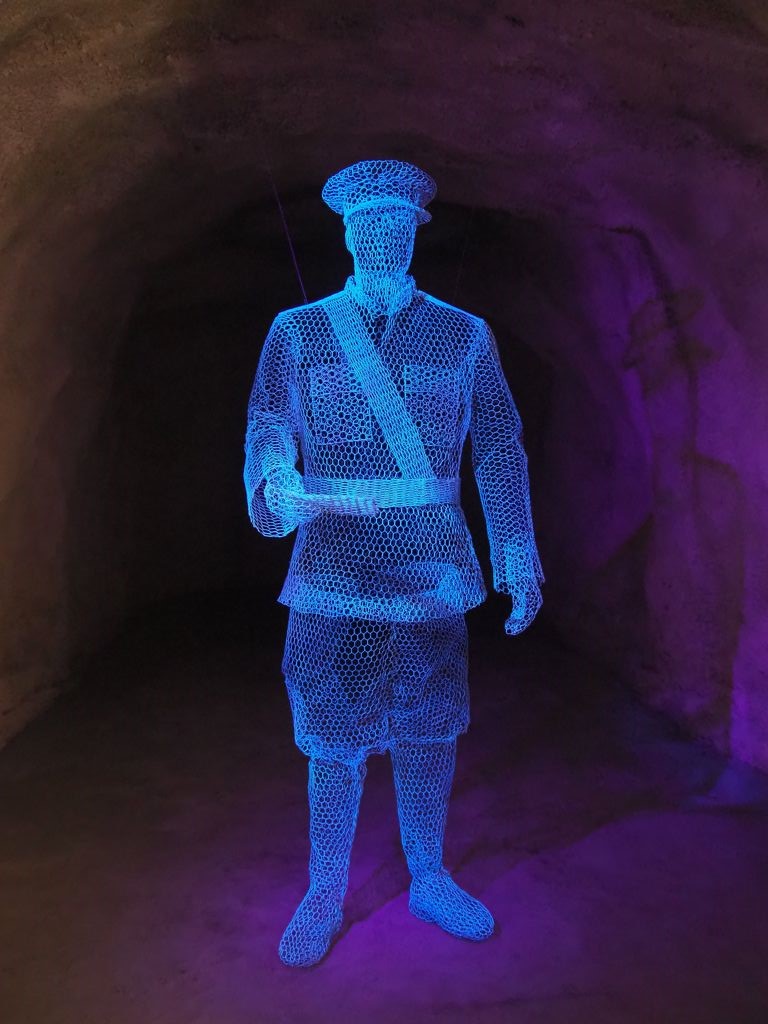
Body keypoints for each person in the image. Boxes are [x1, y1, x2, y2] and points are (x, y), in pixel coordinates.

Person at [243, 159, 545, 967]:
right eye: (369, 225)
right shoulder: (298, 331)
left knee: (429, 724)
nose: (383, 237)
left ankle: (429, 876)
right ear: (347, 234)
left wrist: (517, 554)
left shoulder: (463, 333)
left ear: (415, 235)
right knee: (331, 734)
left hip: (430, 564)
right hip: (332, 561)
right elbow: (268, 423)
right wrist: (276, 485)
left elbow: (499, 446)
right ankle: (324, 891)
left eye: (397, 226)